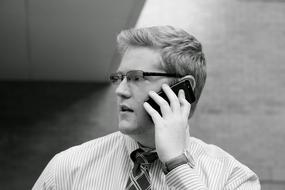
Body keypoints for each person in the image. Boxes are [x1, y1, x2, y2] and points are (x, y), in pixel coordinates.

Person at [33, 26, 260, 190]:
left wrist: (176, 164)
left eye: (136, 77)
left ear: (183, 89)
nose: (120, 90)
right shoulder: (68, 167)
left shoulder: (234, 178)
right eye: (119, 77)